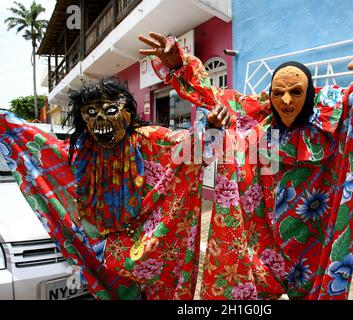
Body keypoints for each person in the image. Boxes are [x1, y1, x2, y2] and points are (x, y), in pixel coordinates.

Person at [138, 0, 353, 299]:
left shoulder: (341, 119)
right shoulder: (256, 116)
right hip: (261, 252)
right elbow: (214, 96)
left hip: (314, 252)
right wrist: (179, 63)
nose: (286, 101)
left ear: (311, 93)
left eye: (296, 92)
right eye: (279, 92)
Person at [0, 77, 227, 299]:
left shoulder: (150, 140)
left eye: (110, 110)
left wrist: (211, 128)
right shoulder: (82, 151)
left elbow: (194, 150)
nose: (100, 119)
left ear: (127, 111)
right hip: (105, 254)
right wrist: (4, 123)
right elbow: (43, 149)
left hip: (150, 251)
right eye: (90, 113)